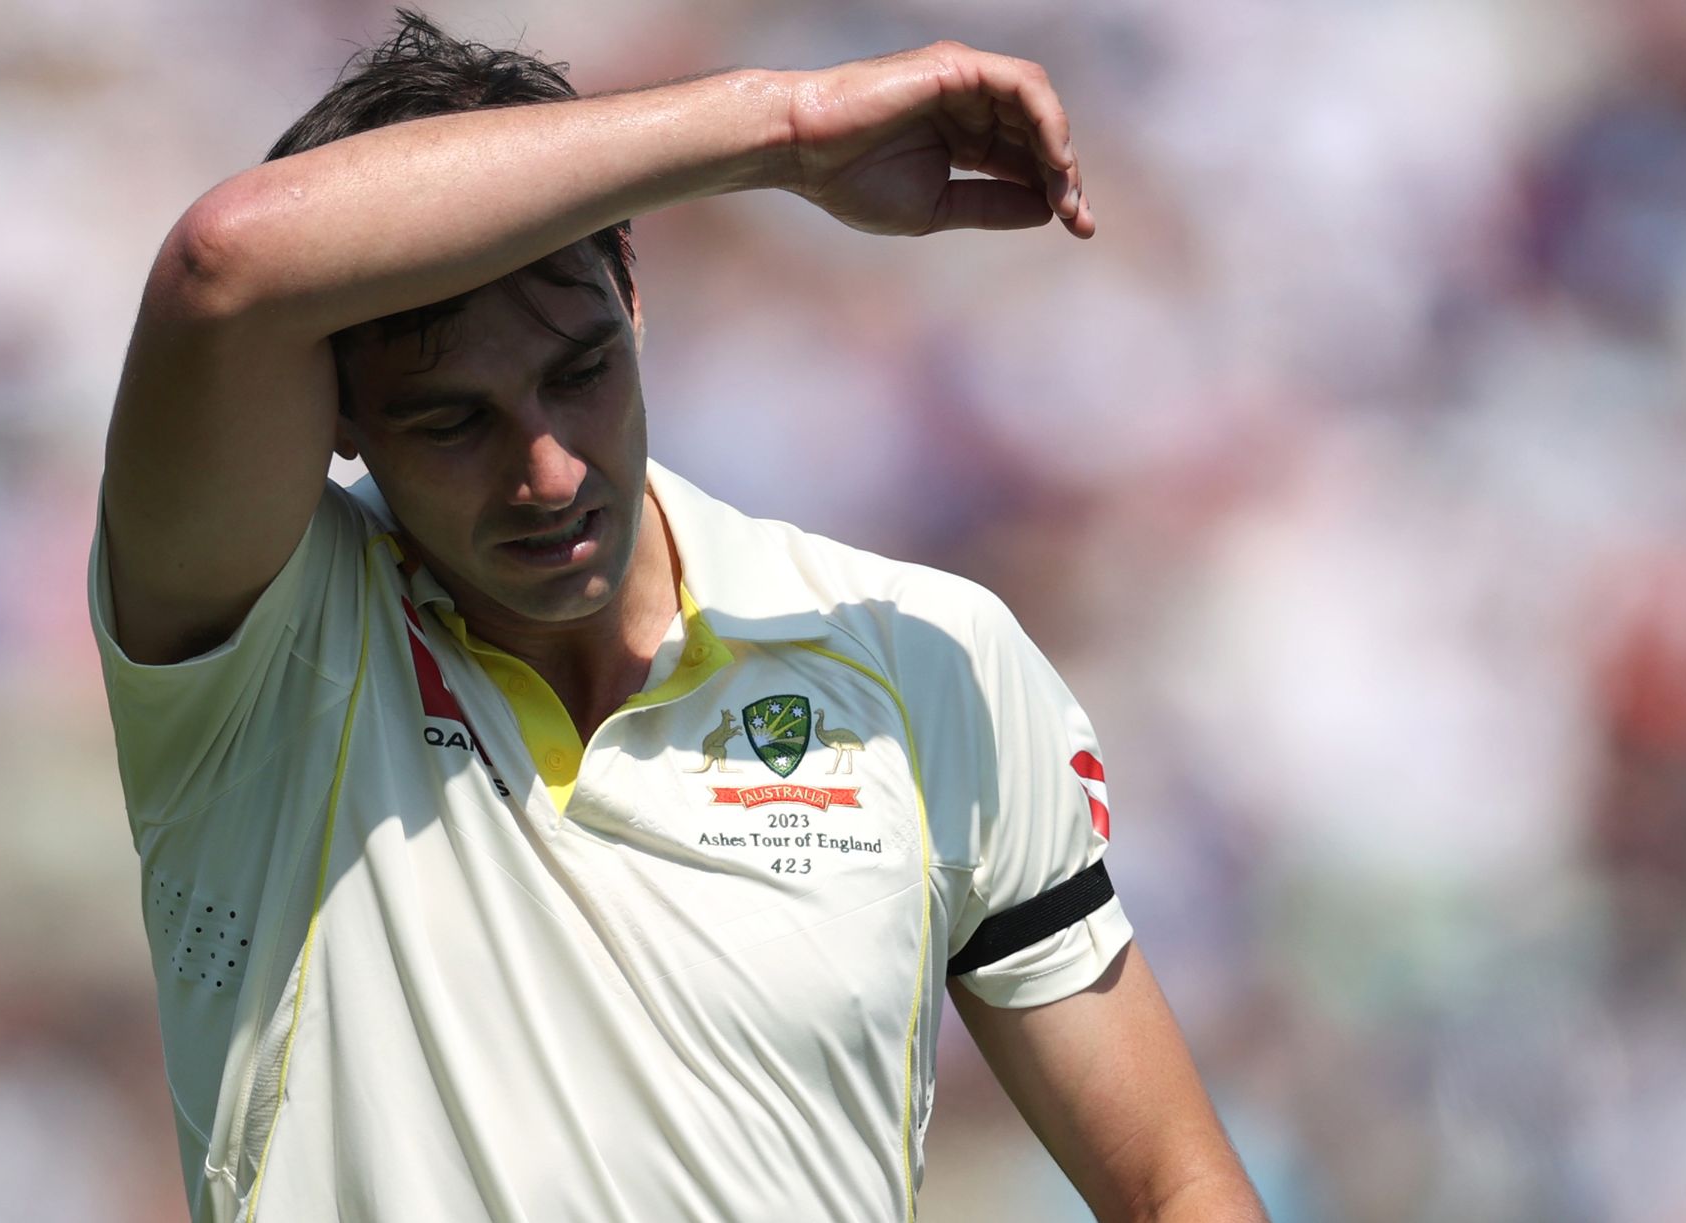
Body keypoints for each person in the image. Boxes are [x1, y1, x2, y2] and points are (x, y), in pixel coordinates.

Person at [88, 10, 1267, 1221]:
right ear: (337, 413)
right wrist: (782, 127)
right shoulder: (265, 649)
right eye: (451, 421)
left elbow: (1170, 1180)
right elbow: (224, 264)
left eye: (579, 372)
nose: (546, 473)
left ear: (634, 300)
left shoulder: (921, 656)